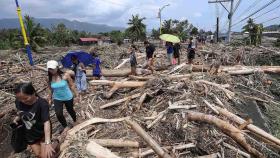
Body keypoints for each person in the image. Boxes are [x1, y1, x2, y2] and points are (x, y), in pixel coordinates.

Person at [13, 82, 59, 158]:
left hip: (42, 132)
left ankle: (56, 143)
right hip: (29, 134)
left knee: (46, 156)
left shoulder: (42, 104)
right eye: (20, 99)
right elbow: (20, 111)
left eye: (25, 98)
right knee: (38, 154)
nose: (23, 101)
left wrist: (48, 142)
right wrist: (17, 117)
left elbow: (46, 122)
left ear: (33, 93)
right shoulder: (18, 101)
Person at [47, 60, 78, 133]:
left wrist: (76, 95)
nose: (51, 70)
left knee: (70, 110)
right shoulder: (49, 78)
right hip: (57, 98)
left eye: (53, 68)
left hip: (68, 96)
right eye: (49, 69)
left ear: (57, 67)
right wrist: (49, 98)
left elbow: (72, 85)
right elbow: (50, 89)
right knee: (59, 114)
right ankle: (65, 126)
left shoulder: (65, 75)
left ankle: (75, 121)